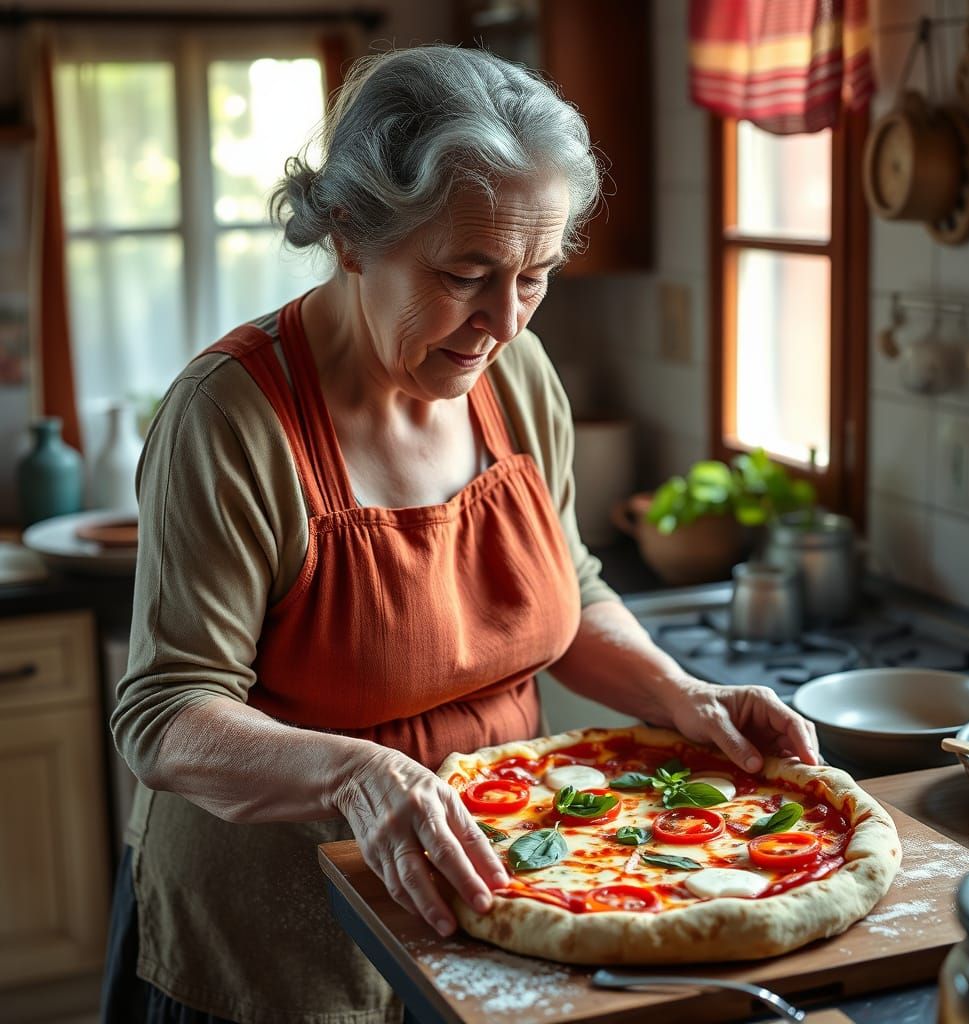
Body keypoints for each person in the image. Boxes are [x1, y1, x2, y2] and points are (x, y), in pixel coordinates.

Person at [103, 44, 819, 1024]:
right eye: (465, 273)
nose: (502, 321)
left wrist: (684, 698)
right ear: (350, 235)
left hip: (495, 905)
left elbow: (567, 591)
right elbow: (165, 715)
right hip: (273, 947)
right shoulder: (231, 422)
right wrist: (357, 769)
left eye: (535, 277)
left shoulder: (519, 381)